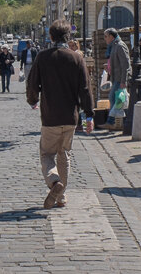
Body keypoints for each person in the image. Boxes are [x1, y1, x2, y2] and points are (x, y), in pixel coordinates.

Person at [26, 19, 95, 209]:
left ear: (50, 36)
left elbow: (32, 84)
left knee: (47, 154)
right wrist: (89, 115)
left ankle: (55, 183)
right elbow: (85, 89)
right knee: (64, 154)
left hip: (50, 116)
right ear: (68, 37)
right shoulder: (76, 58)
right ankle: (61, 197)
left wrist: (33, 100)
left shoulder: (43, 57)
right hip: (71, 117)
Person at [102, 28, 131, 129]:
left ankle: (114, 122)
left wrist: (124, 80)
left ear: (111, 36)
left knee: (116, 99)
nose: (104, 39)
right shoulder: (114, 46)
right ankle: (120, 123)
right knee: (119, 100)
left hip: (120, 78)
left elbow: (126, 65)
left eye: (106, 36)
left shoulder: (120, 46)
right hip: (116, 77)